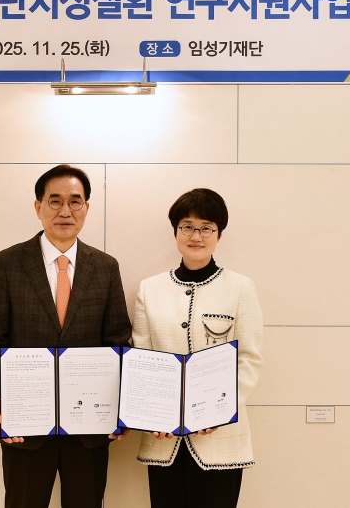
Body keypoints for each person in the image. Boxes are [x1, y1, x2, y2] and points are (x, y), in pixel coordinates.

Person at [0, 164, 131, 508]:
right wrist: (0, 399)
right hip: (25, 424)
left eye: (75, 201)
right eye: (55, 201)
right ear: (38, 206)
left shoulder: (106, 267)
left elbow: (118, 341)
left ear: (87, 208)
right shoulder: (7, 263)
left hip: (89, 427)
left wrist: (119, 407)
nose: (65, 211)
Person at [131, 188, 263, 508]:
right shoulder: (150, 289)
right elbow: (142, 360)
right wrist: (154, 414)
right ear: (175, 231)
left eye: (206, 228)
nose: (196, 236)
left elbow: (248, 359)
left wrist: (220, 410)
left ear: (219, 234)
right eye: (187, 227)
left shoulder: (240, 288)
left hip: (221, 442)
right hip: (164, 441)